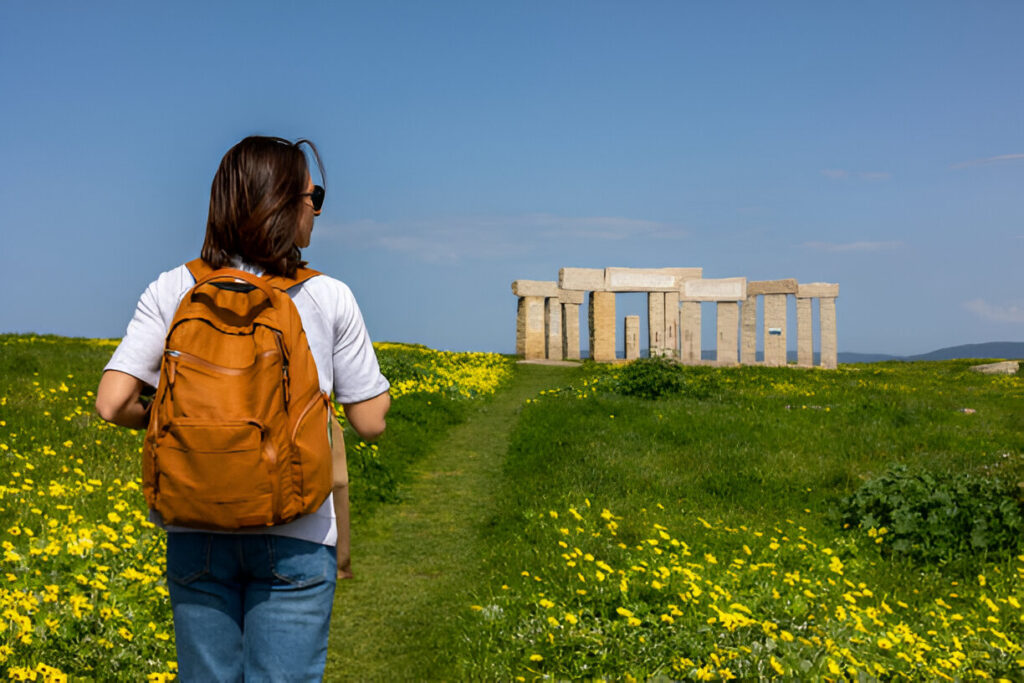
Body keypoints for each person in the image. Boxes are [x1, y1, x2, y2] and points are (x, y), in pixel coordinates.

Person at [95, 135, 390, 681]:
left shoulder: (175, 287)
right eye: (312, 195)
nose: (317, 209)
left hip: (195, 526)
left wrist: (162, 417)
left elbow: (112, 403)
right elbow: (370, 423)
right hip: (296, 532)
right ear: (283, 202)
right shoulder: (328, 296)